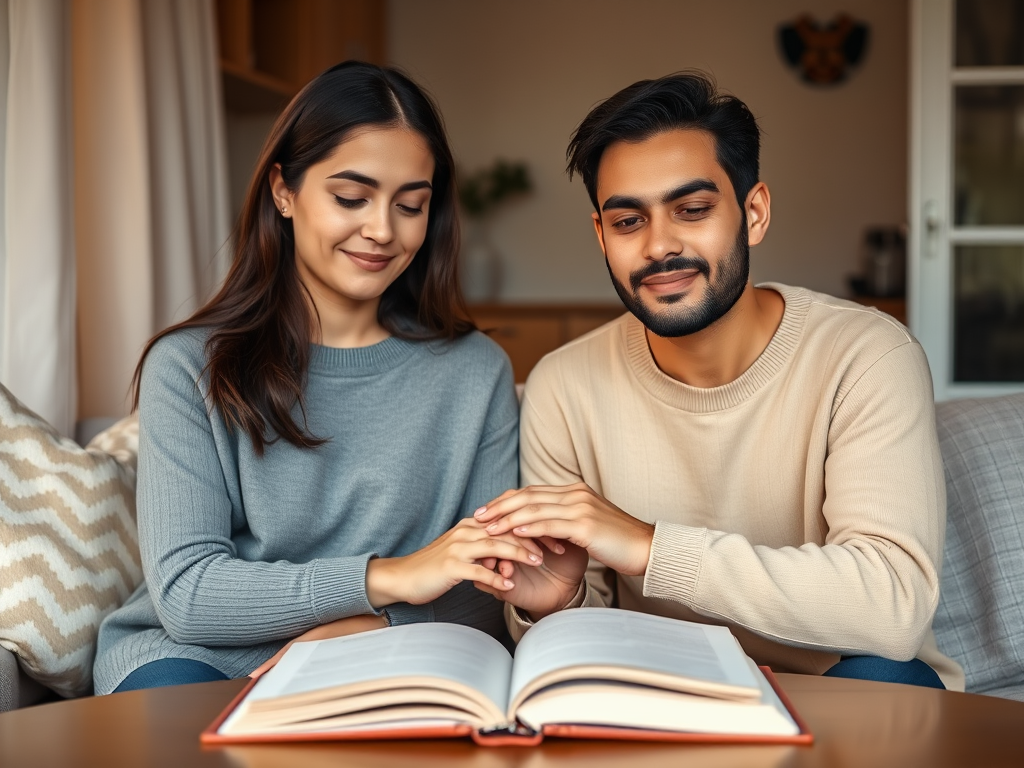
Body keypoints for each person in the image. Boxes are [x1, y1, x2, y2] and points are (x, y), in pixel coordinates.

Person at [474, 71, 963, 691]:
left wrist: (650, 548)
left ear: (753, 212)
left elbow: (892, 606)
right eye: (628, 222)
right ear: (601, 234)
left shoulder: (866, 356)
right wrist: (554, 604)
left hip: (843, 686)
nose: (659, 246)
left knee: (889, 676)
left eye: (693, 210)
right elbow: (580, 641)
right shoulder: (563, 385)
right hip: (663, 689)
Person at [93, 62, 542, 694]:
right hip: (200, 658)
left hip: (388, 650)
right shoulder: (190, 365)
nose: (383, 229)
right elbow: (187, 593)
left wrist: (370, 624)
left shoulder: (476, 372)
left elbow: (489, 587)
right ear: (283, 191)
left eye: (410, 204)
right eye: (351, 198)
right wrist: (383, 581)